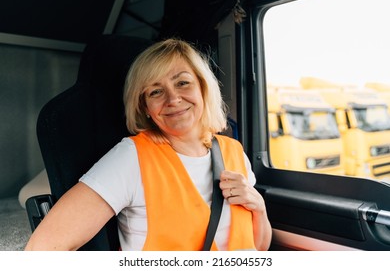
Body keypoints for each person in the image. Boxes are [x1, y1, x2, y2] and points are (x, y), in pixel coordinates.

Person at [24, 38, 272, 251]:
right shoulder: (131, 158)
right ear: (145, 108)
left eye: (182, 82)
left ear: (203, 88)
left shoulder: (233, 151)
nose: (173, 98)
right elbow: (43, 247)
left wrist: (258, 207)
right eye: (155, 92)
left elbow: (257, 248)